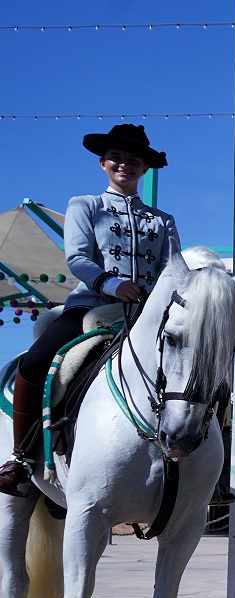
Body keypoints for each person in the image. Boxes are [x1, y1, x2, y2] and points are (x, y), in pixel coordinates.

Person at [0, 124, 182, 495]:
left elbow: (173, 269)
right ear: (103, 163)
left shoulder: (163, 220)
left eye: (134, 160)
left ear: (144, 169)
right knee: (34, 363)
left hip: (147, 315)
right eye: (117, 158)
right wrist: (115, 285)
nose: (125, 165)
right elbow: (78, 259)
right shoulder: (84, 205)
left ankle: (197, 463)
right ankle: (20, 457)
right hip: (91, 307)